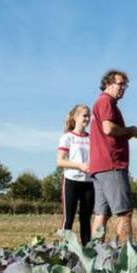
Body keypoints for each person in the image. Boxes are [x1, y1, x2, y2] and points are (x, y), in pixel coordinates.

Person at [89, 69, 137, 243]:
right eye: (120, 84)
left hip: (99, 166)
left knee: (101, 214)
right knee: (125, 213)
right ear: (108, 84)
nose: (123, 88)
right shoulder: (106, 102)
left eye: (125, 85)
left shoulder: (101, 102)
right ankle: (126, 257)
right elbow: (109, 129)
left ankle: (94, 255)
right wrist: (130, 131)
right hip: (112, 164)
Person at [57, 104, 94, 245]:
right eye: (84, 115)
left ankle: (87, 252)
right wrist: (79, 166)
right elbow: (60, 161)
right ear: (75, 117)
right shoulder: (67, 137)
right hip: (71, 181)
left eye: (88, 115)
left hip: (89, 183)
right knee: (68, 219)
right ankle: (63, 252)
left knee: (86, 220)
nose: (87, 118)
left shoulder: (91, 138)